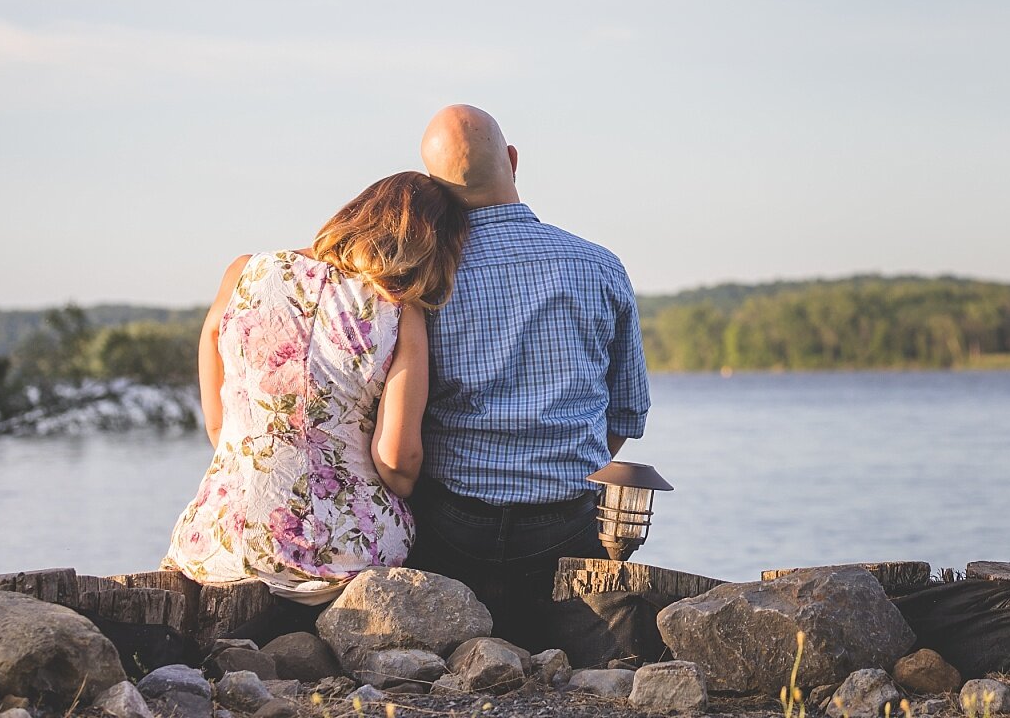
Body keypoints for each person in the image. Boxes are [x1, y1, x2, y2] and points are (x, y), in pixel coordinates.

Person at [164, 171, 466, 625]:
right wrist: (406, 492)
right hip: (341, 558)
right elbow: (397, 458)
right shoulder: (400, 309)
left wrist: (232, 444)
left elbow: (211, 348)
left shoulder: (246, 270)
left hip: (221, 542)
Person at [406, 104, 651, 644]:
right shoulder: (599, 265)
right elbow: (628, 413)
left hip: (447, 527)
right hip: (567, 525)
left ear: (430, 185)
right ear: (512, 161)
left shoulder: (421, 279)